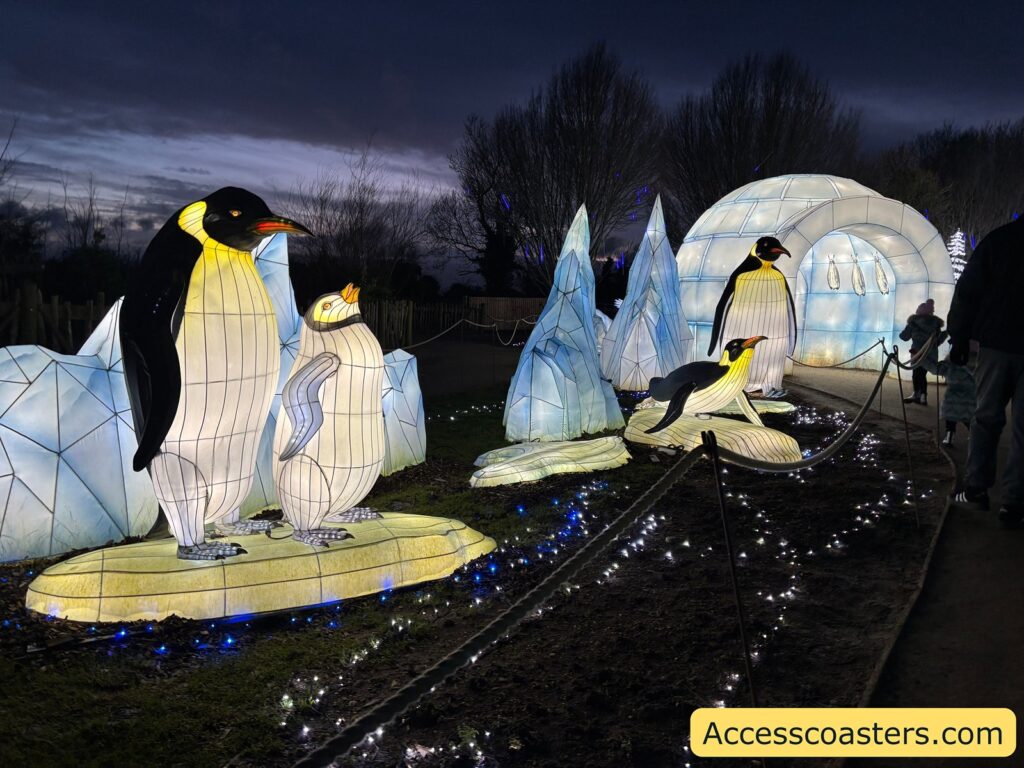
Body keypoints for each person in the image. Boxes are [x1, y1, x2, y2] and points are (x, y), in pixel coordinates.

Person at [947, 216, 1024, 526]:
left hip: (996, 344)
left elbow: (968, 290)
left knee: (986, 417)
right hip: (1002, 342)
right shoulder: (998, 240)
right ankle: (1015, 503)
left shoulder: (999, 240)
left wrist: (959, 336)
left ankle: (977, 489)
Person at [899, 299, 947, 405]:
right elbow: (937, 341)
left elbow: (904, 337)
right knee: (922, 374)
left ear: (919, 311)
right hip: (931, 353)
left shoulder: (913, 322)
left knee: (917, 373)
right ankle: (922, 396)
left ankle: (917, 394)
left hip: (916, 352)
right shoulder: (936, 324)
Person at [937, 342, 977, 447]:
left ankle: (950, 436)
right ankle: (974, 435)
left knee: (951, 414)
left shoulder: (954, 355)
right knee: (969, 415)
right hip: (971, 391)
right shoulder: (979, 354)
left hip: (953, 390)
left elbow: (941, 369)